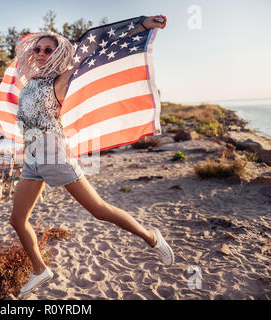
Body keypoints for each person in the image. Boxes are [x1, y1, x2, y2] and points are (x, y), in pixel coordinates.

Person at [9, 15, 173, 295]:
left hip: (55, 156)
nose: (40, 53)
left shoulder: (58, 82)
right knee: (17, 219)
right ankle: (40, 269)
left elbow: (94, 48)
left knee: (99, 210)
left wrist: (141, 26)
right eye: (37, 49)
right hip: (34, 160)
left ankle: (152, 238)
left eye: (48, 49)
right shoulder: (28, 85)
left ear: (58, 53)